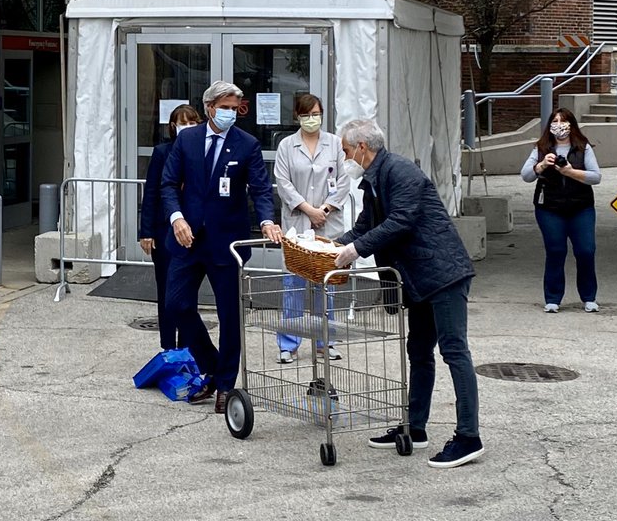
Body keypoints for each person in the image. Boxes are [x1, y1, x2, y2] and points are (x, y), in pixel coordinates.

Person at [333, 117, 483, 469]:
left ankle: (469, 436)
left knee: (454, 350)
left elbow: (401, 220)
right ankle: (415, 427)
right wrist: (331, 246)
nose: (345, 158)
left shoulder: (400, 172)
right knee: (418, 349)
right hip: (418, 278)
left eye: (345, 151)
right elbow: (366, 225)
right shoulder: (374, 179)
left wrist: (354, 251)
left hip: (442, 274)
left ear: (361, 148)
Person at [161, 80, 283, 414]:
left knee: (230, 316)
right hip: (187, 239)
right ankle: (212, 365)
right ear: (210, 108)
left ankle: (226, 384)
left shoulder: (247, 145)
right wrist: (176, 218)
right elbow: (169, 184)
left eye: (235, 108)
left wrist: (268, 220)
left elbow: (259, 188)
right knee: (177, 305)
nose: (231, 113)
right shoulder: (187, 139)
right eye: (225, 107)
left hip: (227, 243)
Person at [273, 93, 349, 362]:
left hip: (327, 225)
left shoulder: (335, 144)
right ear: (297, 116)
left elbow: (343, 182)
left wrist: (325, 210)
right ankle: (288, 344)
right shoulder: (286, 146)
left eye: (316, 114)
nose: (311, 119)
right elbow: (283, 183)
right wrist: (308, 210)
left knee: (325, 283)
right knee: (293, 283)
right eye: (306, 115)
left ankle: (324, 341)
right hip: (298, 224)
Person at [521, 106, 602, 314]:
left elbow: (595, 177)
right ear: (549, 126)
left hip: (581, 207)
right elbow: (526, 175)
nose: (559, 125)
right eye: (554, 121)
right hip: (549, 208)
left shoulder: (583, 148)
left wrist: (570, 172)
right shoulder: (540, 148)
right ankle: (552, 298)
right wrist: (541, 166)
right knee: (556, 251)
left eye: (563, 121)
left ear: (572, 125)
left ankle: (589, 297)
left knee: (586, 250)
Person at [139, 102, 202, 350]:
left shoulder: (202, 152)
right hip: (165, 232)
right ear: (173, 127)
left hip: (194, 233)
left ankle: (187, 348)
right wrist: (146, 232)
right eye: (182, 123)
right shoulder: (162, 152)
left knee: (188, 294)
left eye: (191, 122)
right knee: (166, 292)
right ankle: (167, 347)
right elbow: (152, 192)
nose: (187, 127)